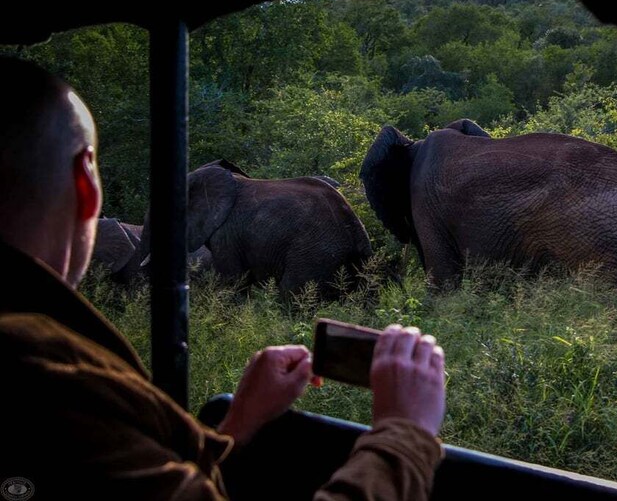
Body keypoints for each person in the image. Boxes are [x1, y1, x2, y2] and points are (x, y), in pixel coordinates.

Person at [0, 57, 446, 500]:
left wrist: (236, 427)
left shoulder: (39, 369)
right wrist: (403, 432)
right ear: (87, 183)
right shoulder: (57, 379)